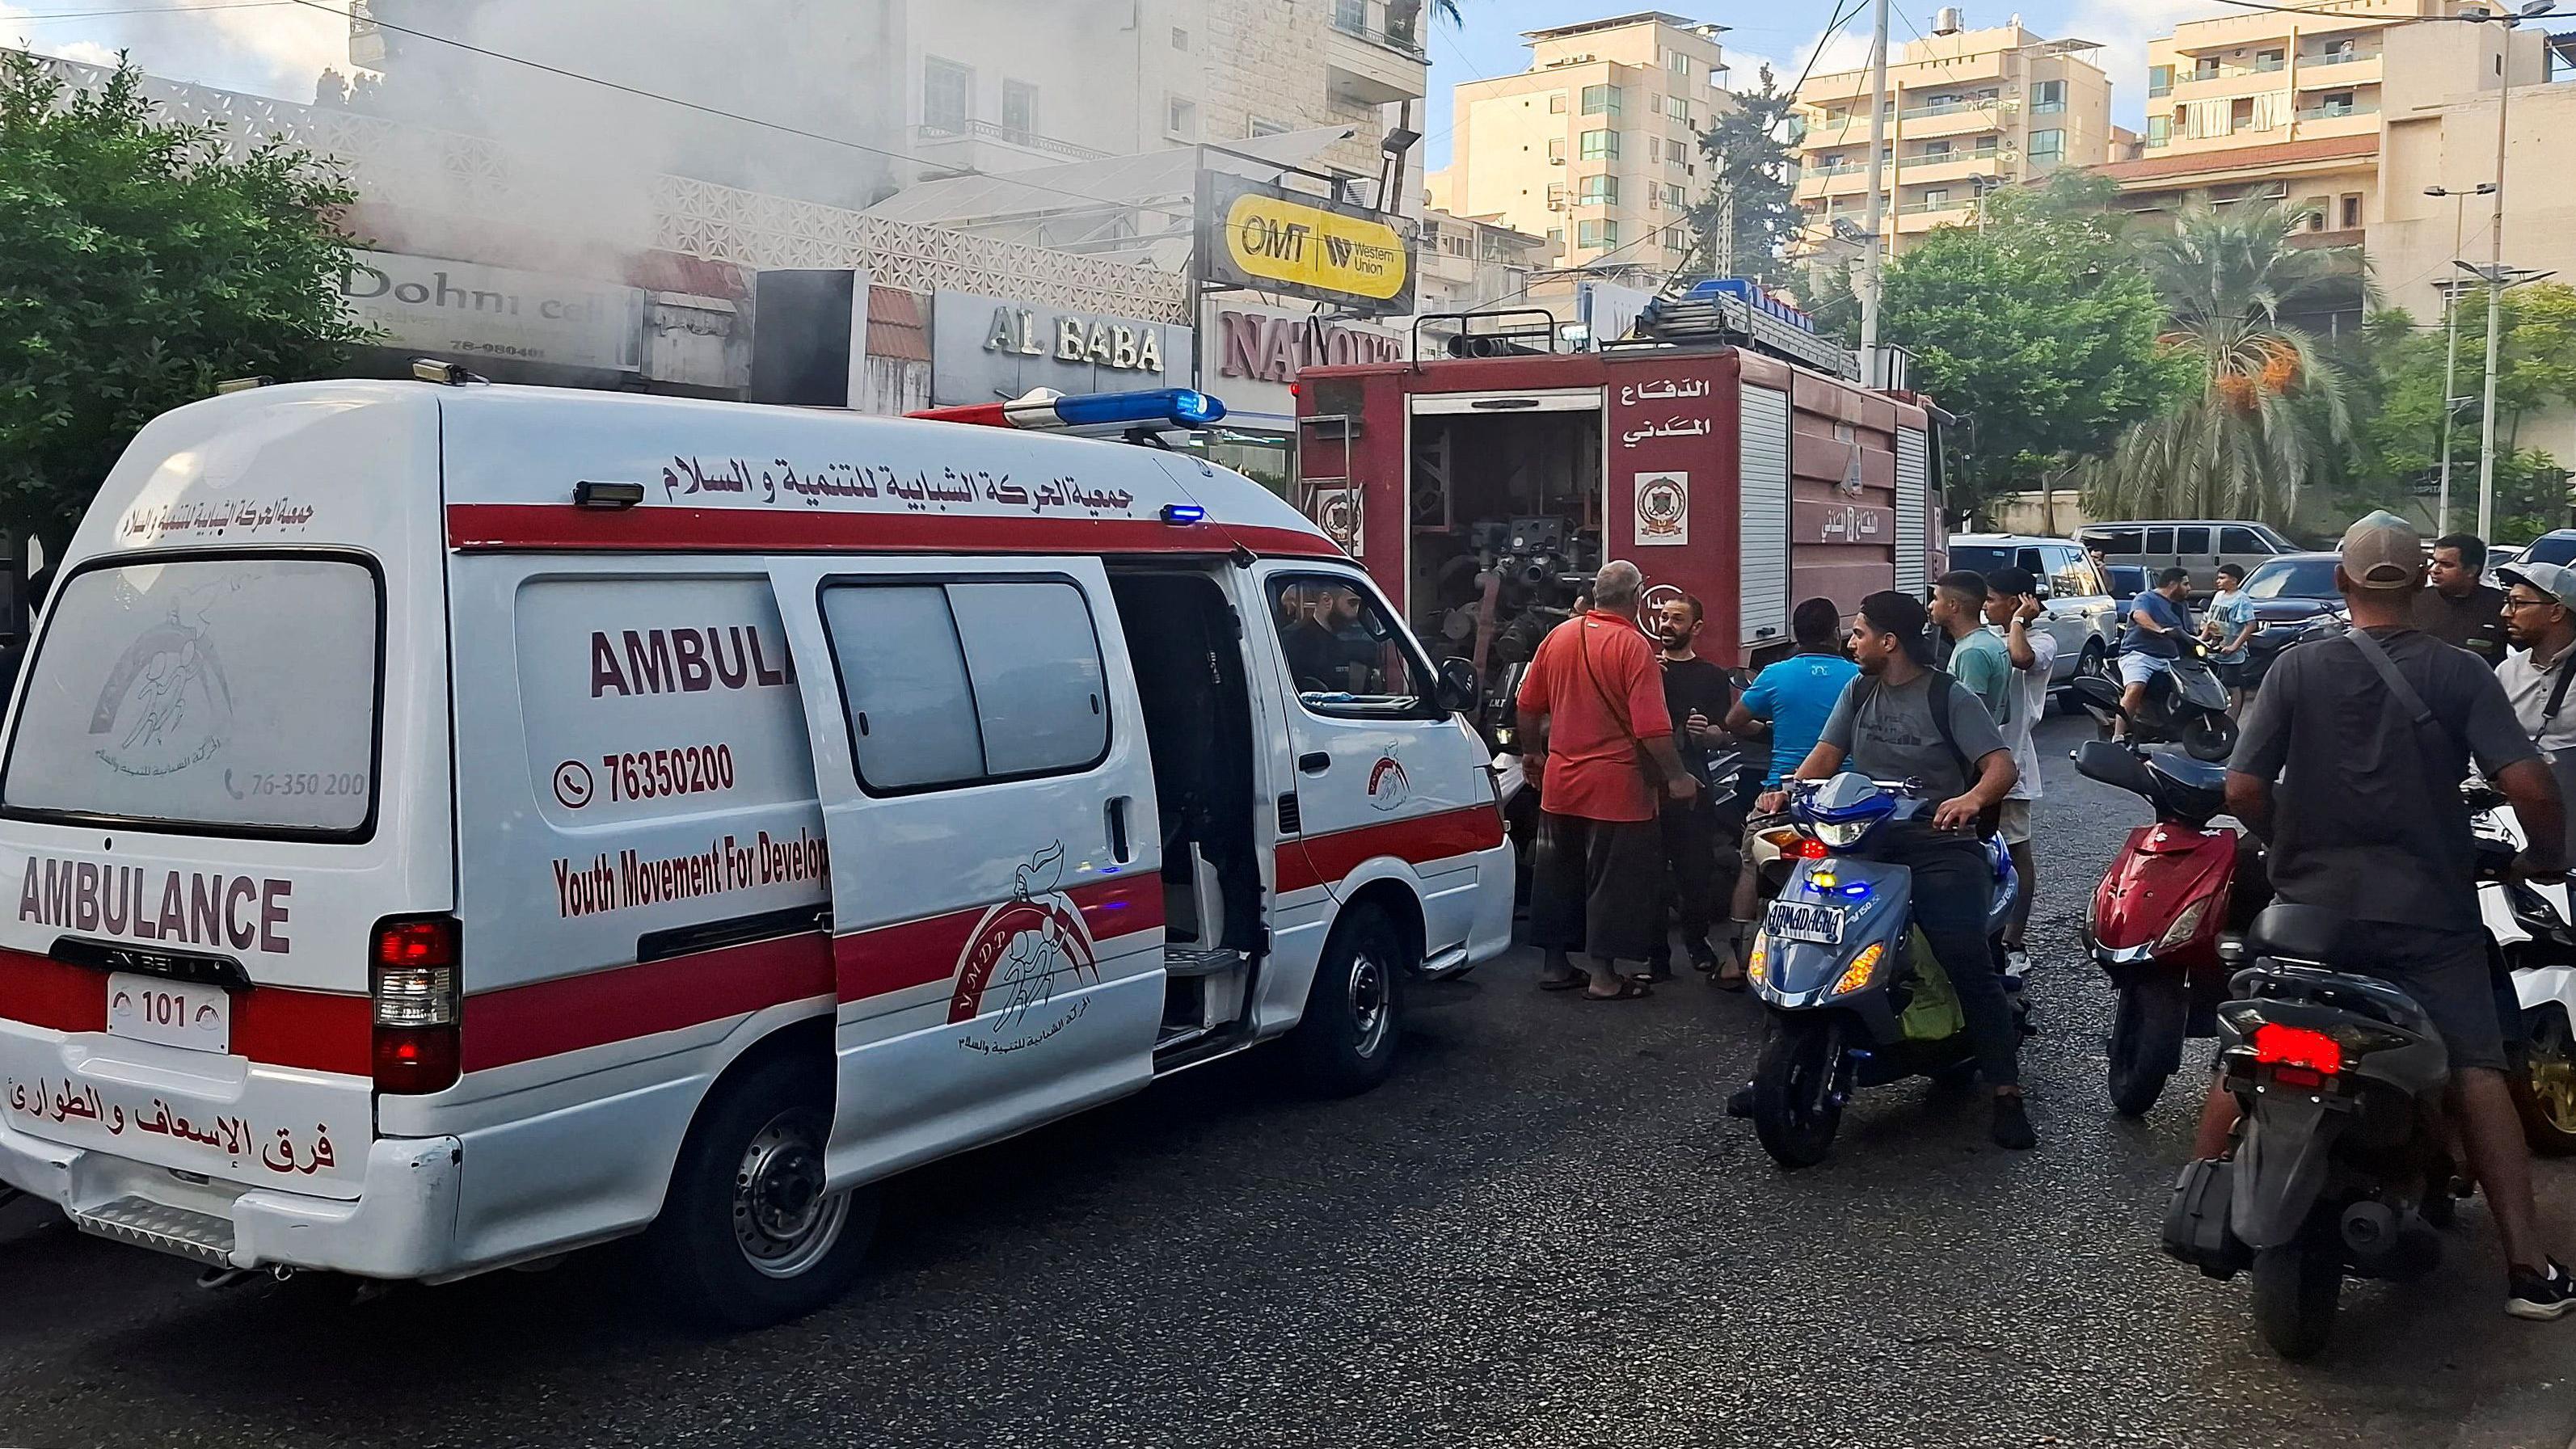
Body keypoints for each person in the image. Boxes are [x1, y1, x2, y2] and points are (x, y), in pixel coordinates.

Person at [2206, 512, 2574, 1320]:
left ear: (2340, 582)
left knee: (2254, 1038)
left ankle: (2203, 1205)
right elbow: (2534, 789)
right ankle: (2527, 1267)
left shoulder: (2295, 671)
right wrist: (2543, 858)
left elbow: (2239, 789)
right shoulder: (2458, 673)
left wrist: (2284, 846)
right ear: (2419, 583)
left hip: (2306, 911)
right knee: (2478, 1068)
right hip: (2424, 915)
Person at [1761, 591, 2034, 1149]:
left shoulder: (1947, 695)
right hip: (1865, 838)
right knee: (1800, 926)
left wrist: (1968, 799)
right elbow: (1824, 753)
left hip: (1940, 844)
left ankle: (2005, 1091)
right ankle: (1774, 1065)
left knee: (1962, 955)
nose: (1851, 641)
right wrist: (1784, 790)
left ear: (1889, 642)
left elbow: (1999, 766)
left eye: (1859, 632)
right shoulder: (1858, 688)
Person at [1517, 562, 1699, 1000]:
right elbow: (1651, 729)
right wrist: (1678, 777)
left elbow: (1527, 704)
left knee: (1557, 877)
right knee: (1612, 881)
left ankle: (1556, 966)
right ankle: (1603, 977)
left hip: (1561, 783)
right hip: (1616, 788)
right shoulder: (1633, 647)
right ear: (1636, 596)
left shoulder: (1559, 636)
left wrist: (1533, 753)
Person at [1721, 598, 1859, 988]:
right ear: (1836, 632)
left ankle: (1737, 960)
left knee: (1751, 862)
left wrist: (1769, 734)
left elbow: (1734, 722)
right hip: (1843, 800)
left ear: (1796, 635)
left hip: (1782, 796)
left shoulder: (1775, 673)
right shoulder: (1858, 678)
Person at [1647, 594, 1742, 980]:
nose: (1667, 625)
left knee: (1695, 873)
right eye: (1664, 617)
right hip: (1649, 787)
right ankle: (1656, 957)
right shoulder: (1647, 669)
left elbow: (1726, 733)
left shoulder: (1712, 676)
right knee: (1650, 875)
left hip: (1695, 788)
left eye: (1677, 619)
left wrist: (1711, 734)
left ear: (1696, 628)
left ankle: (1698, 943)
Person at [1984, 567, 2058, 979]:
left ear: (2018, 601)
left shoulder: (2040, 638)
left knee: (2017, 854)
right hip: (1975, 765)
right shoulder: (1984, 638)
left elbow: (2020, 658)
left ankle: (2015, 940)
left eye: (1994, 598)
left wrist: (2017, 623)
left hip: (2012, 762)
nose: (1986, 605)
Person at [2497, 559, 2576, 862]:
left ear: (2556, 611)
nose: (2506, 613)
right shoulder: (2507, 672)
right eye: (2507, 602)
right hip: (2513, 828)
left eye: (2518, 604)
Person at [2117, 567, 2194, 739]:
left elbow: (2189, 632)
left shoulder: (2181, 606)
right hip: (2140, 655)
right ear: (2173, 584)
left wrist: (2210, 638)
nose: (2189, 589)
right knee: (2135, 688)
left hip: (2171, 659)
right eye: (2186, 584)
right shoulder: (2146, 598)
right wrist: (2159, 630)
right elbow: (2139, 616)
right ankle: (2118, 736)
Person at [2418, 532, 2511, 668]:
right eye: (2434, 562)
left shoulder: (2502, 606)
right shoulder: (2415, 601)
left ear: (2471, 570)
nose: (2434, 570)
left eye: (2446, 565)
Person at [1932, 570, 2009, 723]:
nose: (1930, 606)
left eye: (1935, 599)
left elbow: (1970, 718)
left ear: (1953, 605)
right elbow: (2005, 714)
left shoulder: (1972, 652)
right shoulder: (1994, 642)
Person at [2200, 562, 2259, 714]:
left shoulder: (2241, 599)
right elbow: (2210, 620)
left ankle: (2232, 719)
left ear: (2234, 580)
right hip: (2214, 649)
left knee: (2232, 685)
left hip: (2232, 653)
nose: (2218, 581)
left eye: (2222, 578)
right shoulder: (2218, 596)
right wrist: (2202, 638)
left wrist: (2234, 646)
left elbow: (2250, 625)